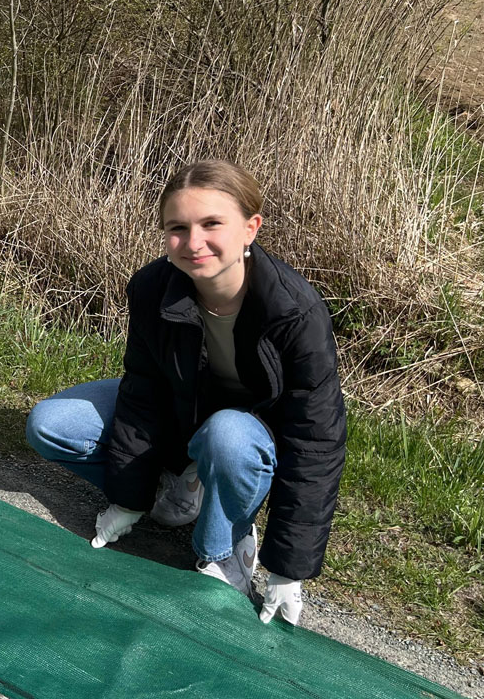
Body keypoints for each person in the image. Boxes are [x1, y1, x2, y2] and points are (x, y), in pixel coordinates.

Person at [26, 160, 346, 626]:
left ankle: (225, 549)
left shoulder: (295, 312)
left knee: (228, 436)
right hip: (182, 411)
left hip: (247, 434)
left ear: (251, 228)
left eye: (212, 224)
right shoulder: (152, 288)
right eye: (178, 228)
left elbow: (315, 440)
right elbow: (143, 390)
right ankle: (177, 489)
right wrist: (128, 497)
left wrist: (288, 567)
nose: (193, 242)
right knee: (50, 425)